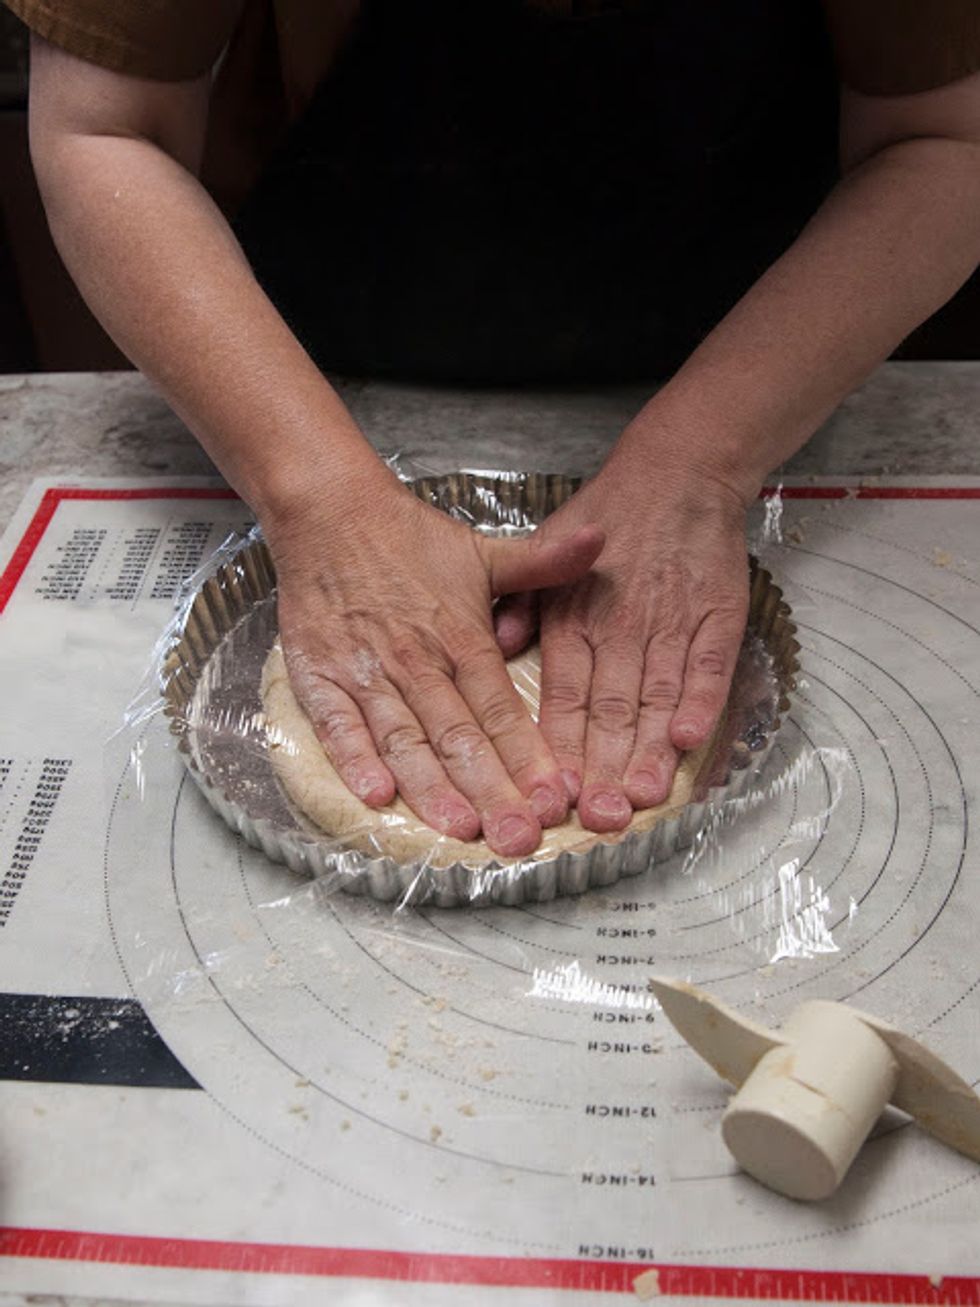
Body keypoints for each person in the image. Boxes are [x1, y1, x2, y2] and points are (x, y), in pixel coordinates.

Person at [9, 0, 980, 857]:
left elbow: (941, 137)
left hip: (765, 331)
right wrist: (319, 491)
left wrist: (700, 455)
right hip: (300, 358)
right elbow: (105, 130)